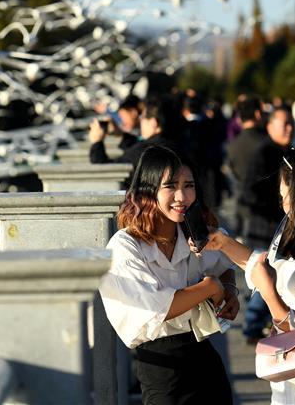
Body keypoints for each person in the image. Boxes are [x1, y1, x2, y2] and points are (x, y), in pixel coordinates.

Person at [206, 146, 295, 405]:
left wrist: (270, 297)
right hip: (288, 370)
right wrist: (222, 243)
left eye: (285, 191)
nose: (281, 197)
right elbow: (265, 267)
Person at [100, 146, 239, 405]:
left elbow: (224, 265)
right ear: (149, 189)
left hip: (203, 356)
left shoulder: (193, 230)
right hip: (161, 366)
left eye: (189, 185)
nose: (181, 196)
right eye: (170, 186)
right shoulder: (126, 245)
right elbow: (156, 307)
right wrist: (210, 287)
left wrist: (230, 289)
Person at [226, 95, 284, 342]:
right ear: (261, 117)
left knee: (256, 268)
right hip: (267, 218)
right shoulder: (265, 148)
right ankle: (253, 325)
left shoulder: (234, 144)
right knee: (265, 268)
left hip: (246, 214)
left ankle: (256, 321)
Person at [89, 96, 182, 167]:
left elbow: (105, 169)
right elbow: (139, 144)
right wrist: (120, 134)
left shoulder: (146, 151)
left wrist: (97, 142)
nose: (141, 120)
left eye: (143, 117)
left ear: (154, 123)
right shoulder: (181, 144)